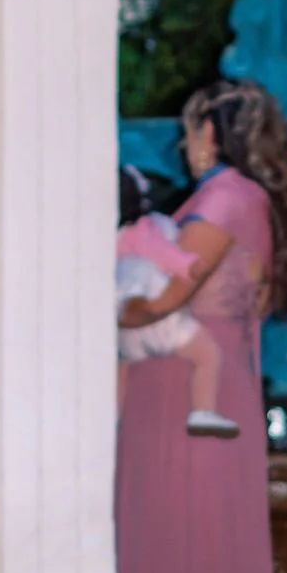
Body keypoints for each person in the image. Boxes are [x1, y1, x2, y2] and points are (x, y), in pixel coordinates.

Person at [114, 77, 287, 573]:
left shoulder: (223, 198)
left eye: (188, 133)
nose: (184, 147)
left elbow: (166, 299)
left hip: (180, 379)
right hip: (217, 372)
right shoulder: (250, 199)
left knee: (181, 525)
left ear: (207, 131)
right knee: (203, 525)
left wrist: (104, 315)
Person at [115, 167, 239, 438]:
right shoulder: (146, 230)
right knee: (208, 355)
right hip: (159, 320)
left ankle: (114, 416)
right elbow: (165, 254)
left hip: (124, 323)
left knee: (122, 366)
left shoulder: (112, 238)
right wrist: (191, 266)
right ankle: (203, 410)